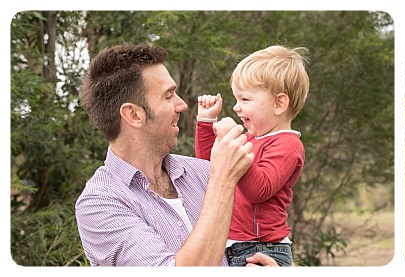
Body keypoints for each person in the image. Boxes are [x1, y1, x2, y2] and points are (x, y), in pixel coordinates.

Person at [74, 43, 276, 267]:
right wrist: (224, 178)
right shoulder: (100, 204)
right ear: (133, 114)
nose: (182, 105)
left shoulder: (202, 172)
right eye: (168, 96)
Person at [194, 45, 309, 266]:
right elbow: (210, 165)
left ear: (279, 104)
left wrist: (233, 143)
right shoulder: (249, 140)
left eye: (245, 100)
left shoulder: (288, 144)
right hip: (231, 244)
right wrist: (207, 123)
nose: (236, 108)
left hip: (262, 249)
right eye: (236, 99)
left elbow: (260, 190)